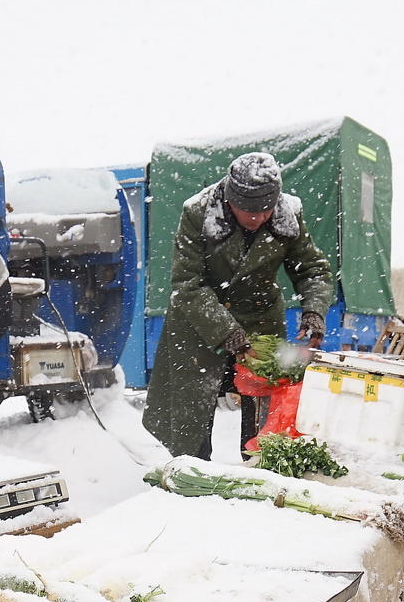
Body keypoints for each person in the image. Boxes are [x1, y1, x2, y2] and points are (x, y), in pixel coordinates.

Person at [143, 152, 335, 459]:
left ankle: (259, 473)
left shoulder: (289, 213)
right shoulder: (197, 211)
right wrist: (225, 331)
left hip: (261, 321)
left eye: (265, 210)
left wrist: (314, 309)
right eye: (248, 210)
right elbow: (187, 284)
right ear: (230, 201)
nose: (257, 218)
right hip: (200, 322)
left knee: (265, 426)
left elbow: (312, 269)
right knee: (191, 423)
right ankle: (191, 477)